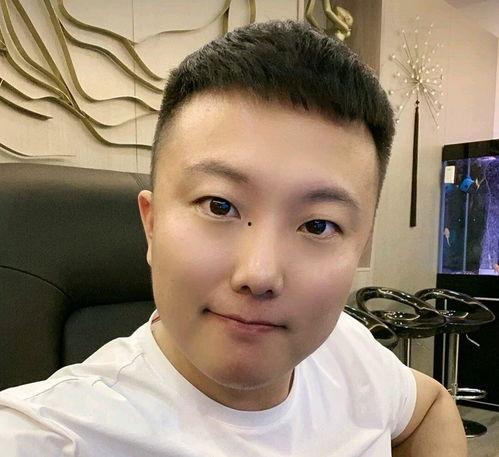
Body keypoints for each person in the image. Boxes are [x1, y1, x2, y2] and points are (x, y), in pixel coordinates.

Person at [0, 19, 467, 456]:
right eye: (219, 206)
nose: (259, 274)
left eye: (318, 225)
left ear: (359, 245)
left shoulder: (346, 347)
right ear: (152, 224)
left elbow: (431, 407)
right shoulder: (52, 434)